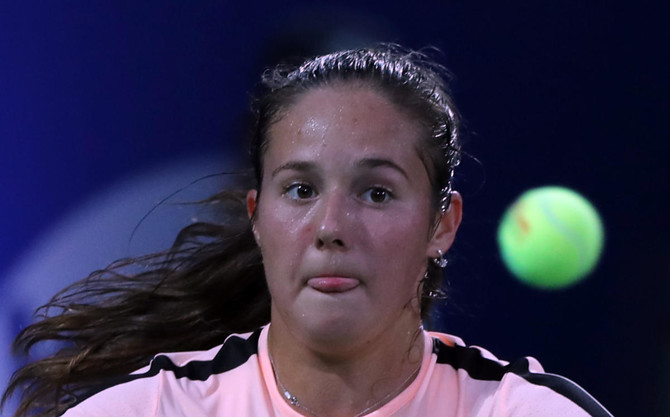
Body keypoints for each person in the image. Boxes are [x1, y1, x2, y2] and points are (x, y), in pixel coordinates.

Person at [3, 45, 612, 417]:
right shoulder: (153, 411)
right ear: (256, 217)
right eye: (300, 190)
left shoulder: (528, 412)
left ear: (441, 225)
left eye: (377, 193)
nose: (331, 228)